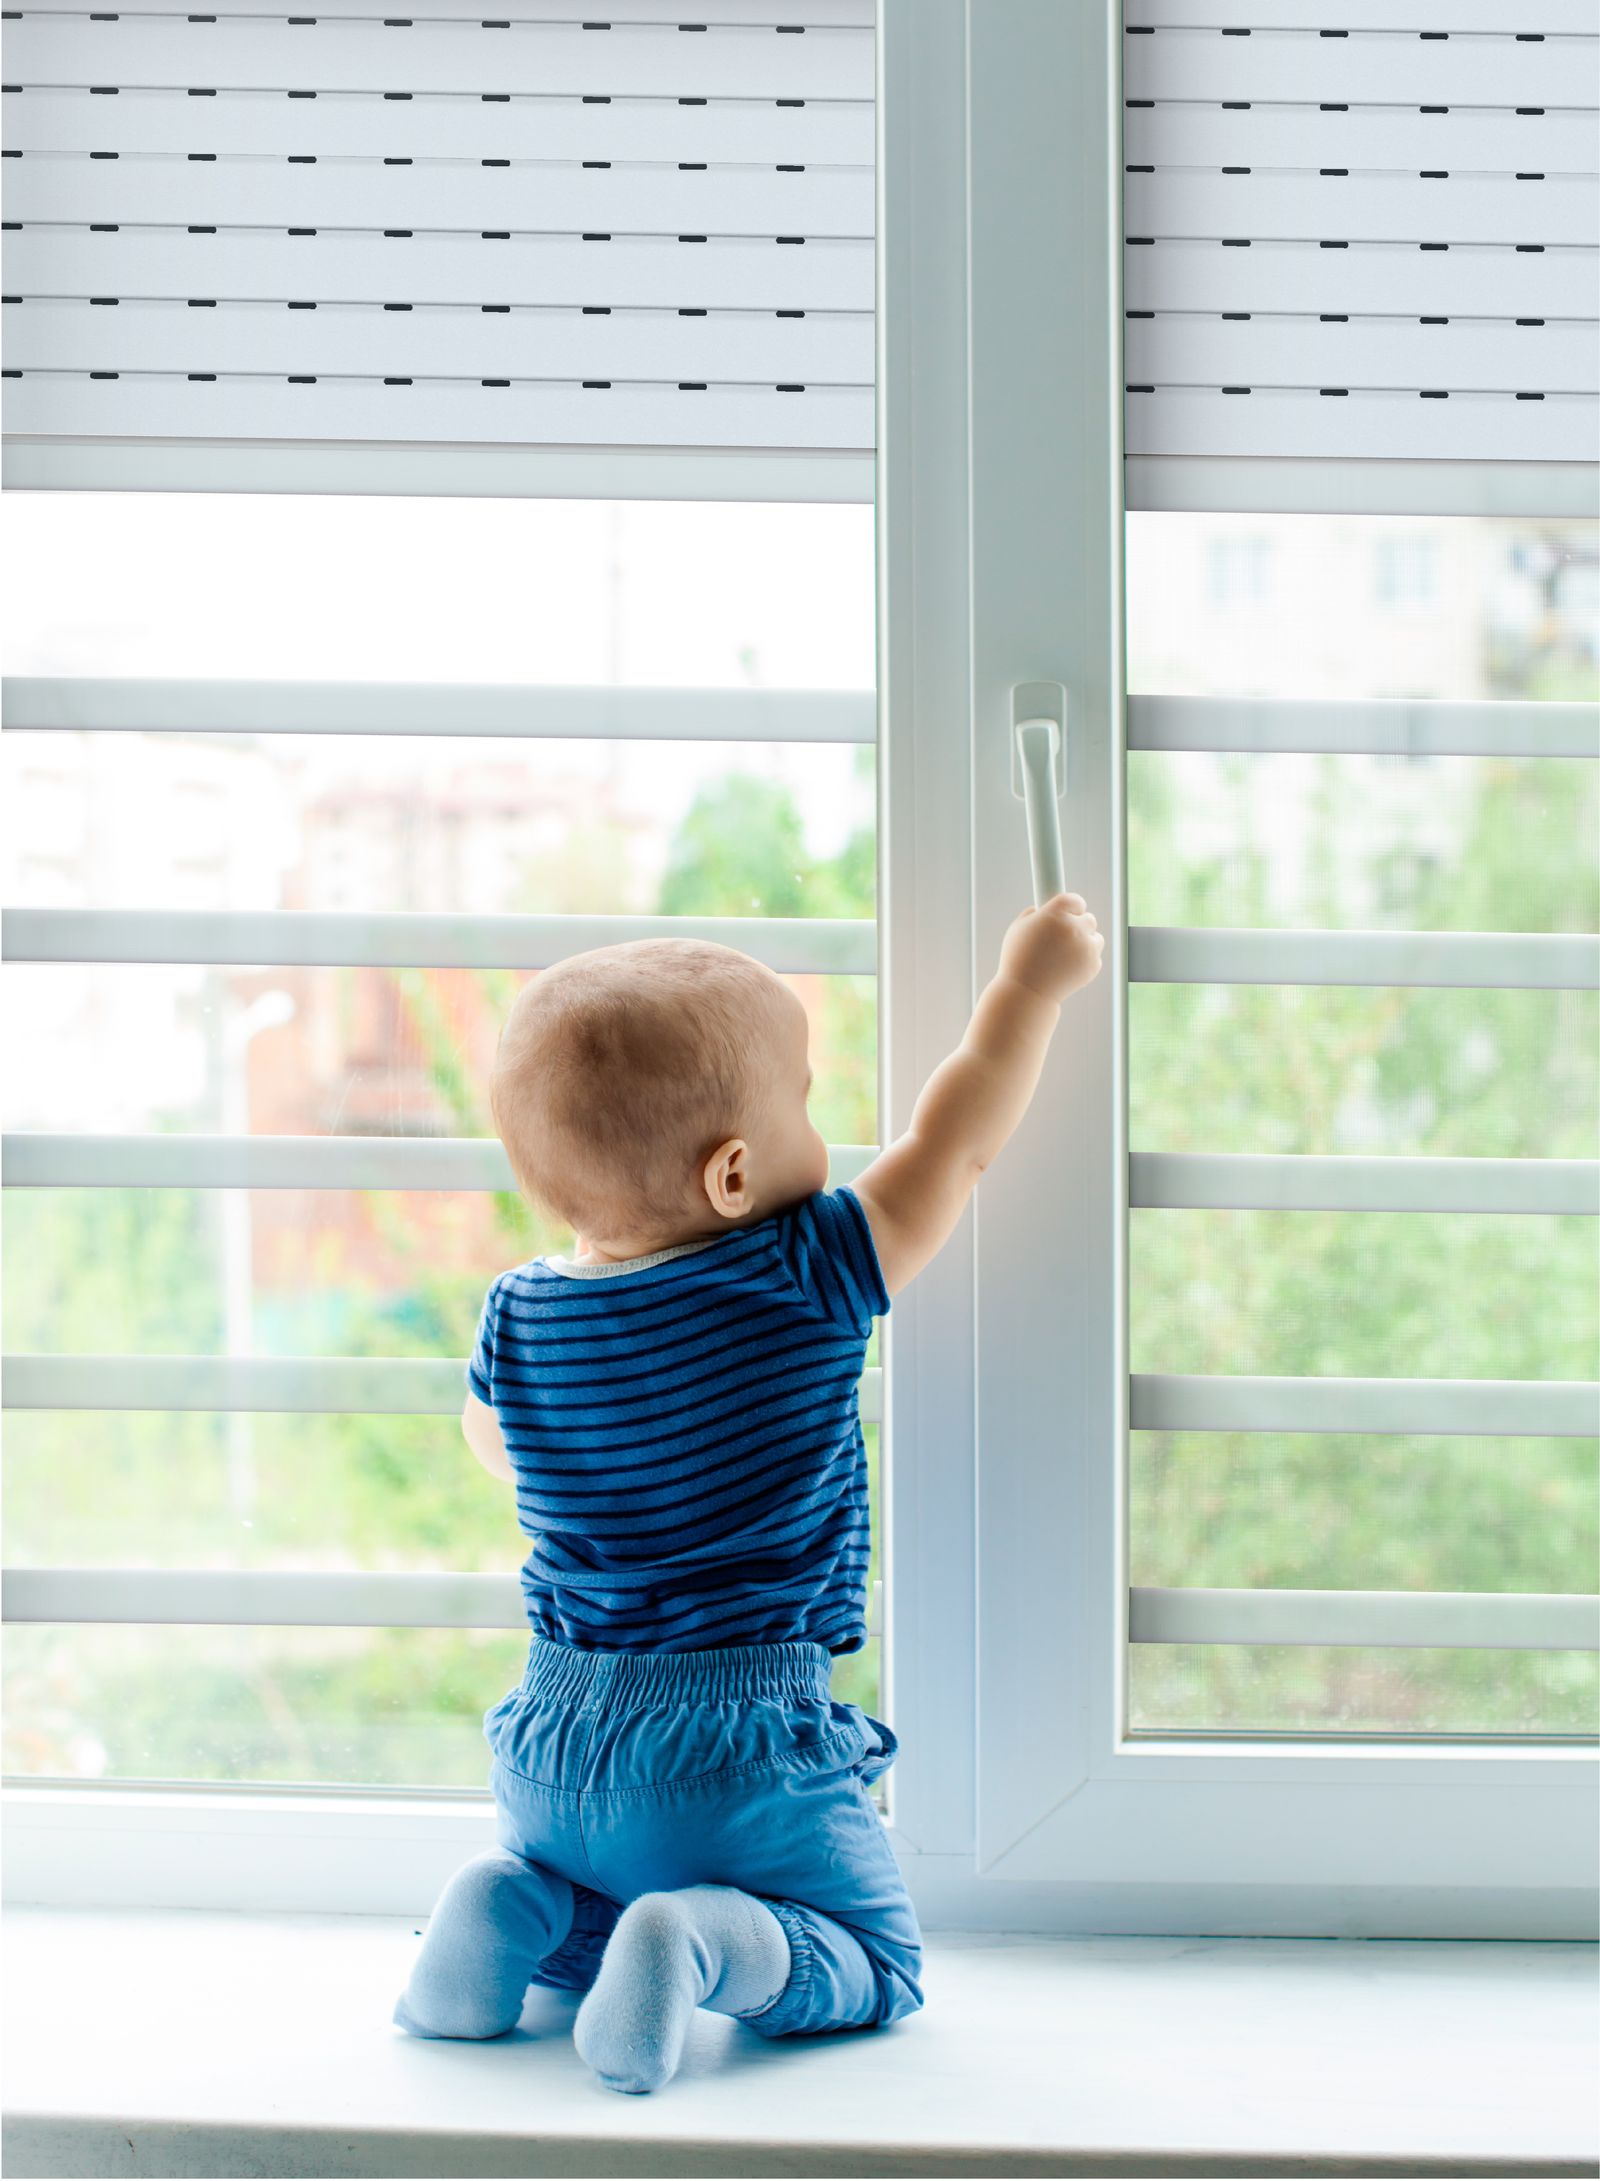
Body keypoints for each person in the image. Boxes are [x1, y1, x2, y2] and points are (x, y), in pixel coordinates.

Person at [393, 894, 1104, 2092]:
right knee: (875, 1958)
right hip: (736, 1748)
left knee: (585, 1889)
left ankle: (503, 1908)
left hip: (552, 1742)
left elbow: (495, 1449)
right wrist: (1029, 988)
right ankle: (705, 1941)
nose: (822, 1130)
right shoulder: (803, 1270)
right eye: (809, 1102)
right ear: (733, 1174)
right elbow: (955, 1144)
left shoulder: (520, 1316)